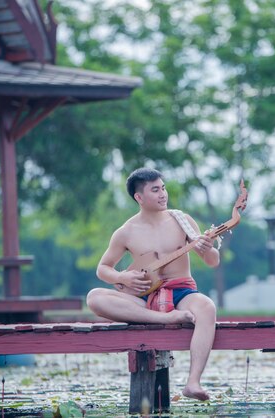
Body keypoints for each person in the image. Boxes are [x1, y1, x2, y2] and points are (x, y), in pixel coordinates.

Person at [86, 167, 219, 401]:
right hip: (145, 298)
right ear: (139, 197)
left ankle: (193, 383)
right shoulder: (126, 232)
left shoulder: (182, 220)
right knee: (94, 298)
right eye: (155, 190)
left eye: (163, 188)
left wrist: (208, 248)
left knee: (207, 307)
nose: (163, 194)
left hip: (182, 293)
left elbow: (212, 261)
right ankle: (165, 319)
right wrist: (122, 277)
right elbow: (102, 268)